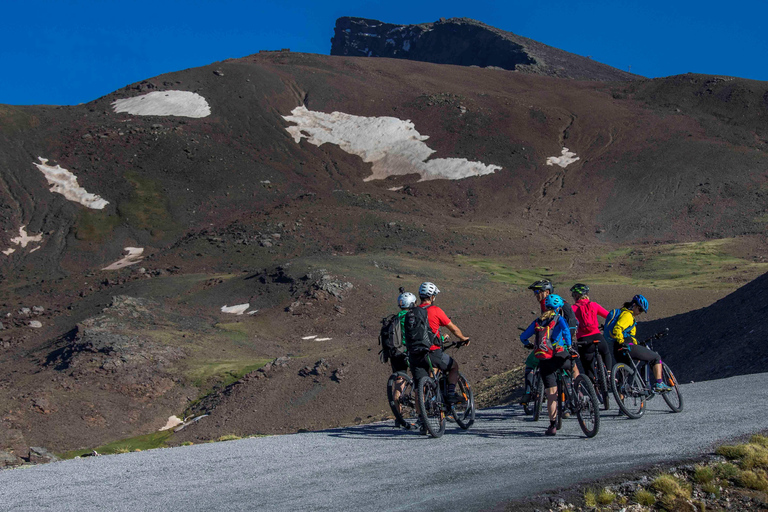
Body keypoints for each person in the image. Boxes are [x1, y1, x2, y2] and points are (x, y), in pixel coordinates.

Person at [407, 281, 470, 405]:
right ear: (431, 297)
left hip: (414, 355)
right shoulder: (435, 310)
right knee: (453, 366)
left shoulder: (411, 313)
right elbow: (453, 328)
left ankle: (422, 419)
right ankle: (451, 394)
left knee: (420, 388)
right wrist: (463, 338)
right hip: (432, 352)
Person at [520, 294, 573, 436]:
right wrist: (569, 346)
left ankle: (552, 426)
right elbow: (567, 332)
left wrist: (528, 344)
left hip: (545, 359)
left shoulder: (537, 321)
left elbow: (523, 336)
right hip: (560, 354)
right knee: (570, 367)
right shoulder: (559, 318)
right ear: (558, 308)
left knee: (551, 395)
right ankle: (573, 391)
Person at [521, 279, 579, 410]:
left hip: (554, 346)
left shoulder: (548, 305)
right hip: (563, 343)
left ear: (546, 292)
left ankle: (528, 392)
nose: (535, 294)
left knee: (531, 362)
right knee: (571, 367)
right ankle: (577, 394)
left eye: (537, 292)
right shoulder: (560, 303)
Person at [607, 294, 671, 393]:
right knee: (656, 357)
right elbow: (618, 328)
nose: (640, 313)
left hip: (617, 349)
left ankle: (622, 406)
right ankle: (659, 384)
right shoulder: (628, 315)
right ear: (634, 305)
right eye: (640, 310)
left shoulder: (623, 313)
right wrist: (622, 341)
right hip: (626, 345)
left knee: (623, 379)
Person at [570, 283, 612, 384]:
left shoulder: (573, 308)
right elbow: (609, 316)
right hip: (597, 336)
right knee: (606, 352)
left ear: (576, 296)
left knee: (587, 366)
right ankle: (610, 375)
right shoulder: (594, 305)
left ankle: (593, 387)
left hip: (583, 341)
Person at [389, 289, 417, 428]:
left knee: (398, 383)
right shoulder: (412, 316)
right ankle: (421, 414)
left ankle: (398, 418)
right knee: (420, 378)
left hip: (396, 354)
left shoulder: (395, 318)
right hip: (410, 352)